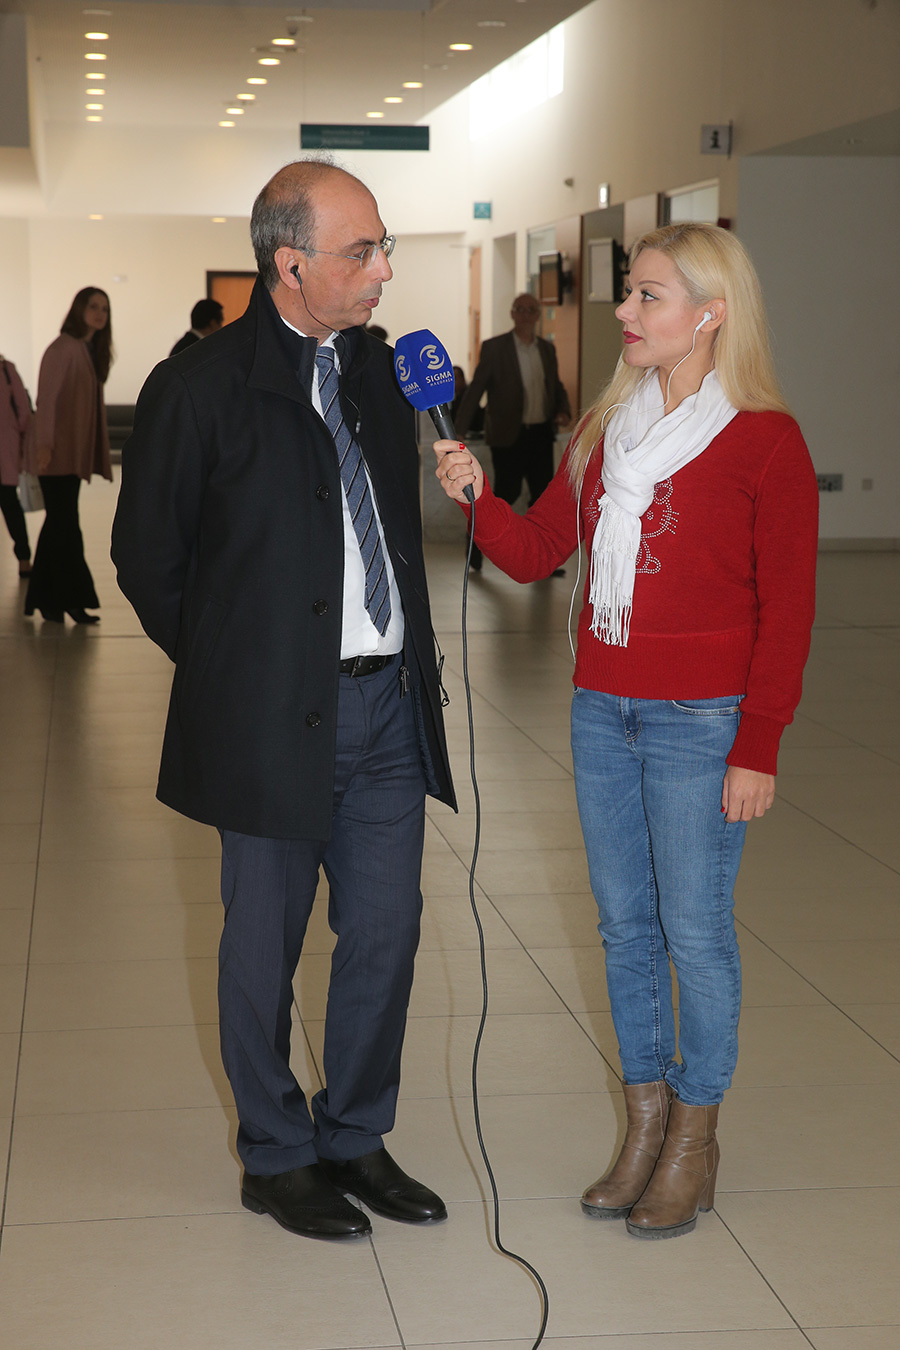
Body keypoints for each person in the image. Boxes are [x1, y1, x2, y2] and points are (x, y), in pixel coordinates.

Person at [435, 223, 818, 1240]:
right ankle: (645, 1123)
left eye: (650, 294)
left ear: (711, 313)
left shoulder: (766, 441)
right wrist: (478, 498)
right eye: (630, 292)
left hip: (704, 722)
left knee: (695, 930)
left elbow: (788, 610)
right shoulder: (604, 432)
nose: (626, 310)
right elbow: (536, 552)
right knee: (624, 927)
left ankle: (694, 1137)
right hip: (602, 708)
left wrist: (759, 745)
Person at [112, 159, 456, 1243]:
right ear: (290, 264)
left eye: (385, 245)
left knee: (386, 935)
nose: (384, 270)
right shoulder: (199, 388)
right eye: (363, 252)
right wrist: (237, 670)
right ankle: (274, 1154)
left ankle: (354, 1134)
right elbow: (147, 559)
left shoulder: (382, 373)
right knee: (261, 948)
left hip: (388, 710)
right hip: (268, 720)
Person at [454, 293, 570, 571]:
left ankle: (545, 557)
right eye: (521, 309)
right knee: (506, 492)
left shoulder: (546, 349)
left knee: (543, 496)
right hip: (508, 436)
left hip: (540, 433)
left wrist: (563, 409)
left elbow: (555, 386)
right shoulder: (495, 348)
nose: (526, 315)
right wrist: (458, 430)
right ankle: (476, 549)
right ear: (513, 313)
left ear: (537, 315)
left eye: (531, 310)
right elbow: (476, 389)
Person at [24, 288, 113, 624]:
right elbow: (46, 400)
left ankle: (48, 600)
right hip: (56, 455)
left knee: (60, 526)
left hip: (67, 455)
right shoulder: (64, 348)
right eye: (93, 306)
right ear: (78, 309)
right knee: (65, 526)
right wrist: (44, 445)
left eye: (104, 308)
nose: (100, 313)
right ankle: (68, 599)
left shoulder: (85, 349)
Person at [0, 355, 34, 578]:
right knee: (10, 503)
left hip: (5, 450)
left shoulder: (6, 370)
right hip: (6, 448)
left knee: (10, 503)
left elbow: (23, 412)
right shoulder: (6, 370)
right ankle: (24, 559)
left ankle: (24, 558)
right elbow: (23, 411)